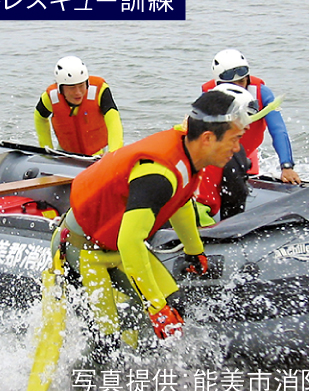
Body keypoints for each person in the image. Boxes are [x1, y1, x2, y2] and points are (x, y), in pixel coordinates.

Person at [55, 84, 256, 352]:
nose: (237, 148)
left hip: (117, 248)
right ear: (208, 138)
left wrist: (194, 250)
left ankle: (148, 369)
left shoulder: (189, 159)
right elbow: (130, 242)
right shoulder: (158, 175)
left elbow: (180, 204)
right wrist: (155, 306)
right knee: (106, 341)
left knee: (177, 304)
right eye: (234, 140)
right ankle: (85, 389)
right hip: (86, 250)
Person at [197, 49, 301, 223]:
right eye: (233, 82)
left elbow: (278, 129)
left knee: (240, 182)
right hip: (219, 153)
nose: (239, 86)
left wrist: (287, 166)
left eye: (242, 80)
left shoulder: (262, 93)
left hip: (245, 152)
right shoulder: (209, 96)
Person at [34, 56, 124, 157]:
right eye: (72, 88)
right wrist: (47, 150)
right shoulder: (51, 97)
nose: (78, 93)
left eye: (81, 86)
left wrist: (113, 152)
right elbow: (40, 118)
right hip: (65, 153)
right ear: (61, 88)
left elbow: (113, 119)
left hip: (97, 154)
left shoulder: (100, 91)